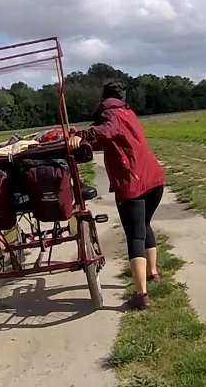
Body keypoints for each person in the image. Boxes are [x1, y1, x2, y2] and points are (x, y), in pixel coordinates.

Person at [68, 79, 165, 310]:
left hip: (133, 182)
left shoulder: (110, 115)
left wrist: (80, 136)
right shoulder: (127, 112)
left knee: (135, 236)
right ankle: (153, 273)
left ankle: (141, 295)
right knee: (145, 224)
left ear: (104, 97)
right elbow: (113, 139)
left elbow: (107, 131)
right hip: (154, 178)